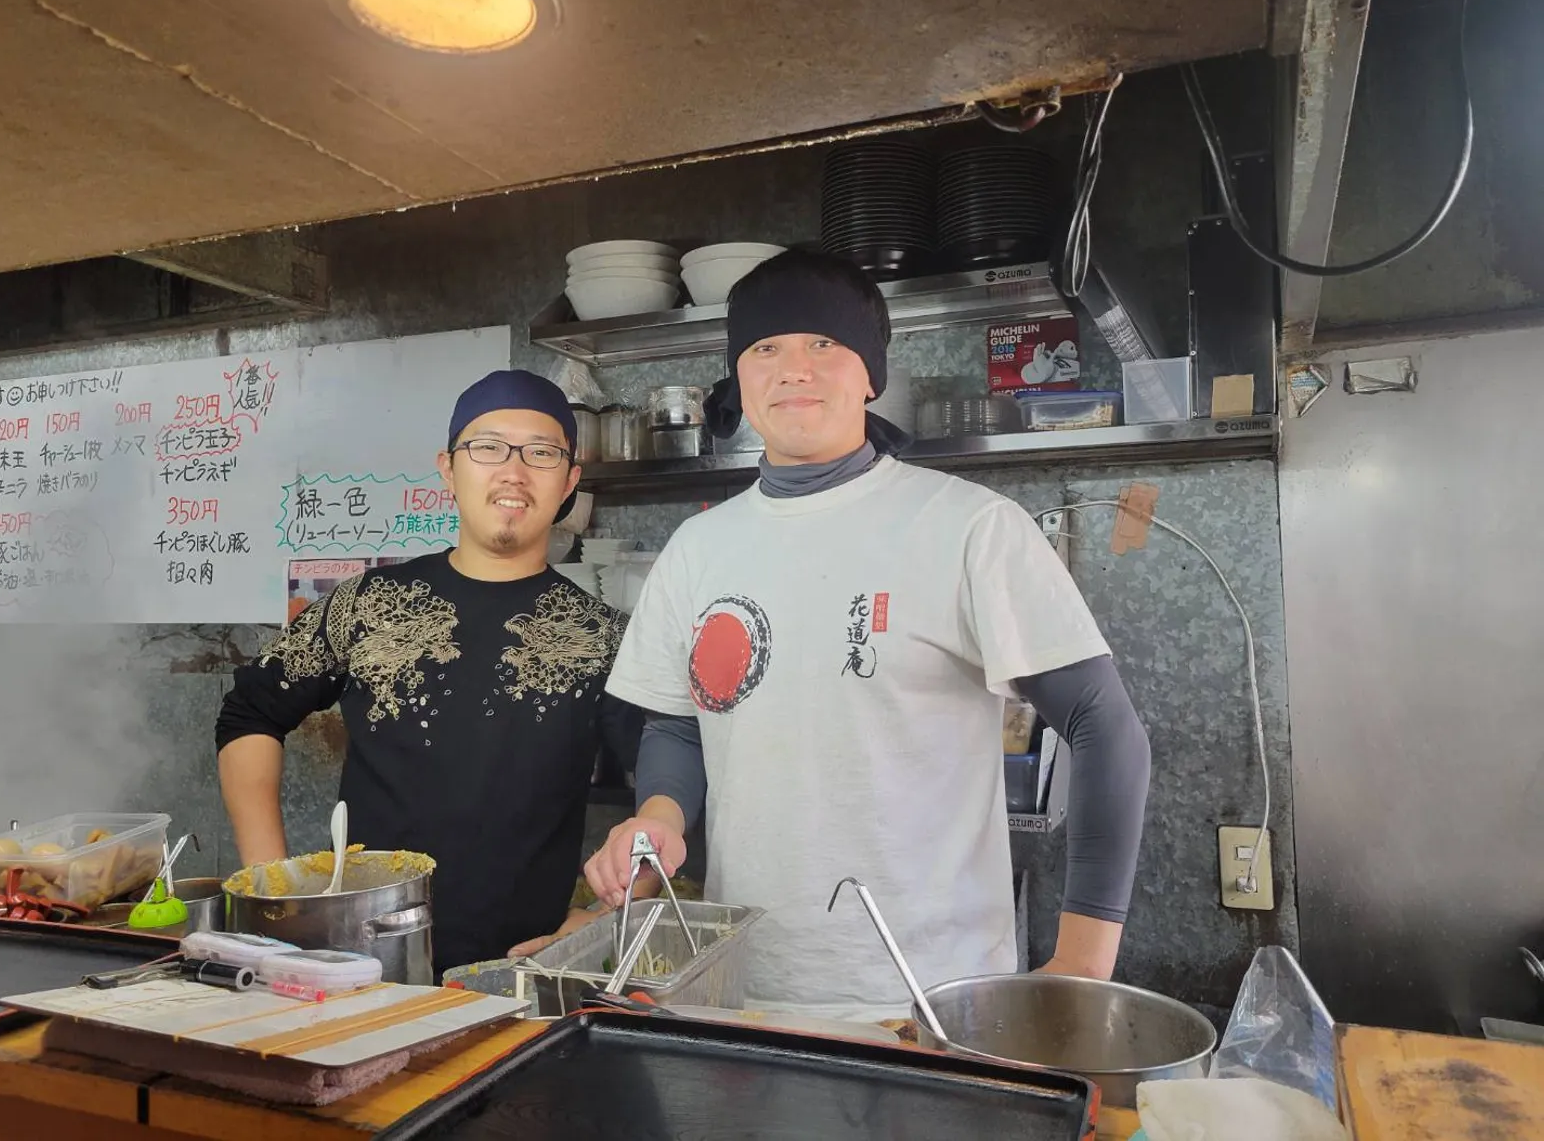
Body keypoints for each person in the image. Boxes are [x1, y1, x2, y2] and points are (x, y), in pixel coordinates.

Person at [583, 250, 1152, 1020]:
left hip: (932, 999)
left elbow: (1104, 725)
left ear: (870, 373)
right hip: (738, 985)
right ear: (740, 381)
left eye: (824, 344)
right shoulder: (699, 547)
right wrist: (658, 819)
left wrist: (1084, 959)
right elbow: (679, 726)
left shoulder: (967, 526)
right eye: (765, 348)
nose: (793, 368)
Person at [215, 370, 641, 976]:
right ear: (448, 468)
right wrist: (272, 886)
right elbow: (251, 710)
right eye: (488, 448)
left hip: (518, 975)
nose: (513, 472)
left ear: (570, 480)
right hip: (355, 961)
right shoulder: (369, 604)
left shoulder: (604, 638)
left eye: (542, 454)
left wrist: (606, 915)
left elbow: (668, 790)